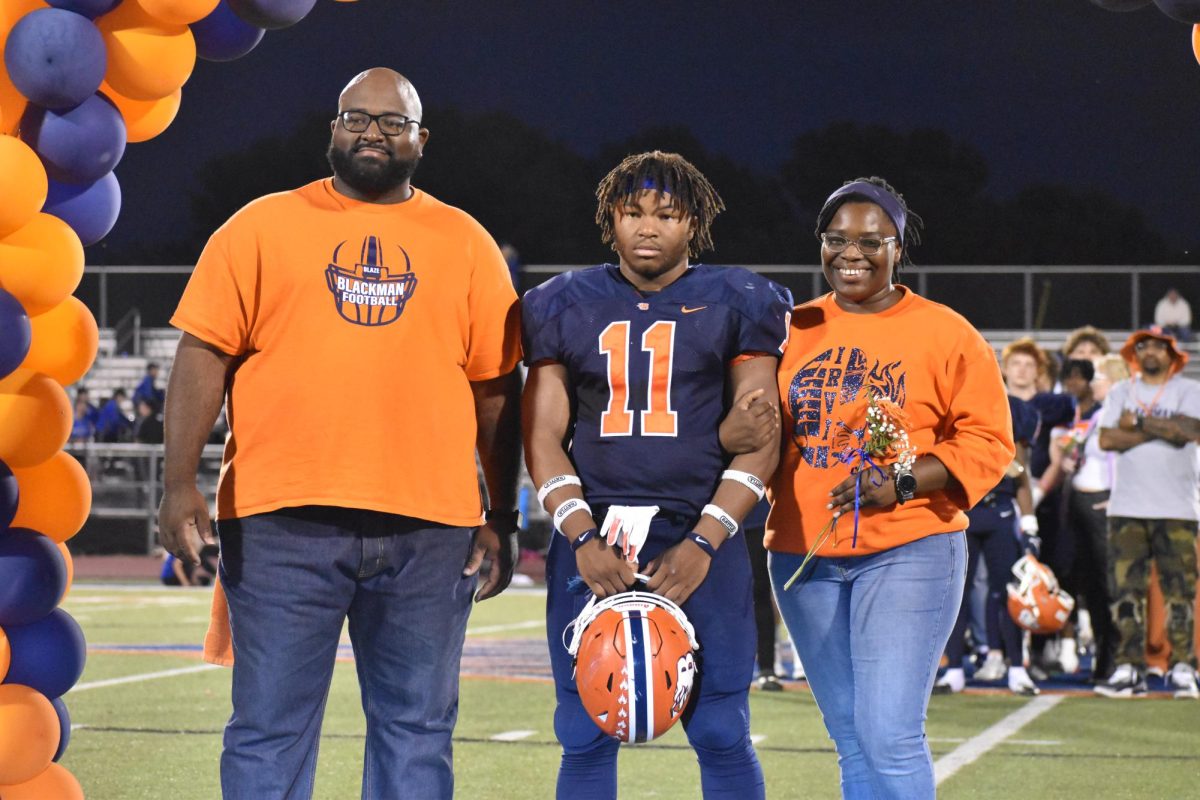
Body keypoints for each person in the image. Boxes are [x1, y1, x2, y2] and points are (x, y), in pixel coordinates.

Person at [157, 68, 523, 799]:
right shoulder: (259, 225)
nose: (372, 133)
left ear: (422, 140)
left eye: (393, 122)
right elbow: (203, 356)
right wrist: (176, 486)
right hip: (281, 524)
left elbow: (495, 390)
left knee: (417, 734)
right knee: (269, 732)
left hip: (431, 529)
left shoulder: (466, 242)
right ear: (332, 129)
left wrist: (503, 516)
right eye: (357, 117)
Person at [522, 151, 791, 800]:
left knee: (722, 728)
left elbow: (761, 440)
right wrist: (583, 539)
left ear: (694, 223)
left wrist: (704, 542)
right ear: (609, 218)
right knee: (584, 726)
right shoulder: (561, 302)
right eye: (632, 212)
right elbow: (543, 437)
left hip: (700, 531)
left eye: (667, 215)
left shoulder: (740, 298)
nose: (648, 227)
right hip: (594, 529)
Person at [767, 177, 1014, 798]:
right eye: (836, 239)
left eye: (870, 241)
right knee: (852, 737)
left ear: (897, 248)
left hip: (910, 547)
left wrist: (902, 481)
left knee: (889, 733)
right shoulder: (788, 328)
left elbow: (989, 442)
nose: (851, 253)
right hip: (803, 554)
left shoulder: (946, 331)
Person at [1095, 328, 1200, 699]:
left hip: (1178, 507)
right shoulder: (1121, 391)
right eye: (1145, 346)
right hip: (1127, 506)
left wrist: (1137, 424)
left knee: (1180, 592)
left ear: (1173, 355)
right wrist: (1165, 430)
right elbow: (1107, 439)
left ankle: (1184, 665)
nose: (1151, 351)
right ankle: (1129, 668)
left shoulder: (1189, 389)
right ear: (1135, 353)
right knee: (1125, 591)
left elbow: (1191, 430)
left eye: (1160, 346)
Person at [935, 393, 1040, 695]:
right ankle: (954, 668)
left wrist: (1030, 524)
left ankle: (1017, 667)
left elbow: (1019, 471)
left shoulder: (1009, 410)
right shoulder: (953, 406)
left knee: (1007, 592)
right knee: (957, 593)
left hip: (1000, 511)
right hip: (962, 510)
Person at [1037, 358, 1118, 681]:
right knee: (1078, 579)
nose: (1078, 384)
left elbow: (1117, 459)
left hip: (1100, 500)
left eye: (1090, 377)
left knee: (1104, 581)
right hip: (1071, 502)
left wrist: (1117, 495)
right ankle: (1091, 656)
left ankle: (1113, 656)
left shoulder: (1108, 414)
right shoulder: (1070, 413)